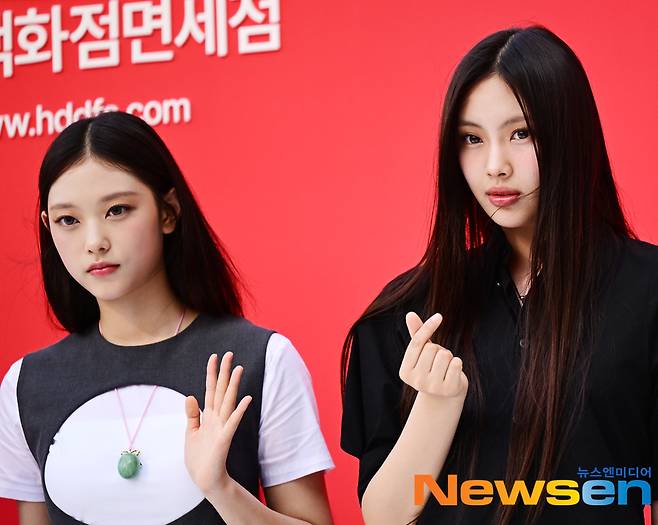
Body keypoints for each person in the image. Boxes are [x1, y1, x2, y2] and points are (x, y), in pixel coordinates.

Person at [340, 25, 658, 525]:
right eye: (472, 138)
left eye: (521, 133)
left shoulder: (647, 292)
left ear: (572, 134)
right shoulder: (410, 310)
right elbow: (382, 516)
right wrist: (435, 408)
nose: (494, 166)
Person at [0, 111, 334, 525]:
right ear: (48, 227)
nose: (94, 241)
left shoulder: (260, 359)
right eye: (68, 220)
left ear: (168, 212)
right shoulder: (27, 384)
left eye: (117, 210)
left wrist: (222, 489)